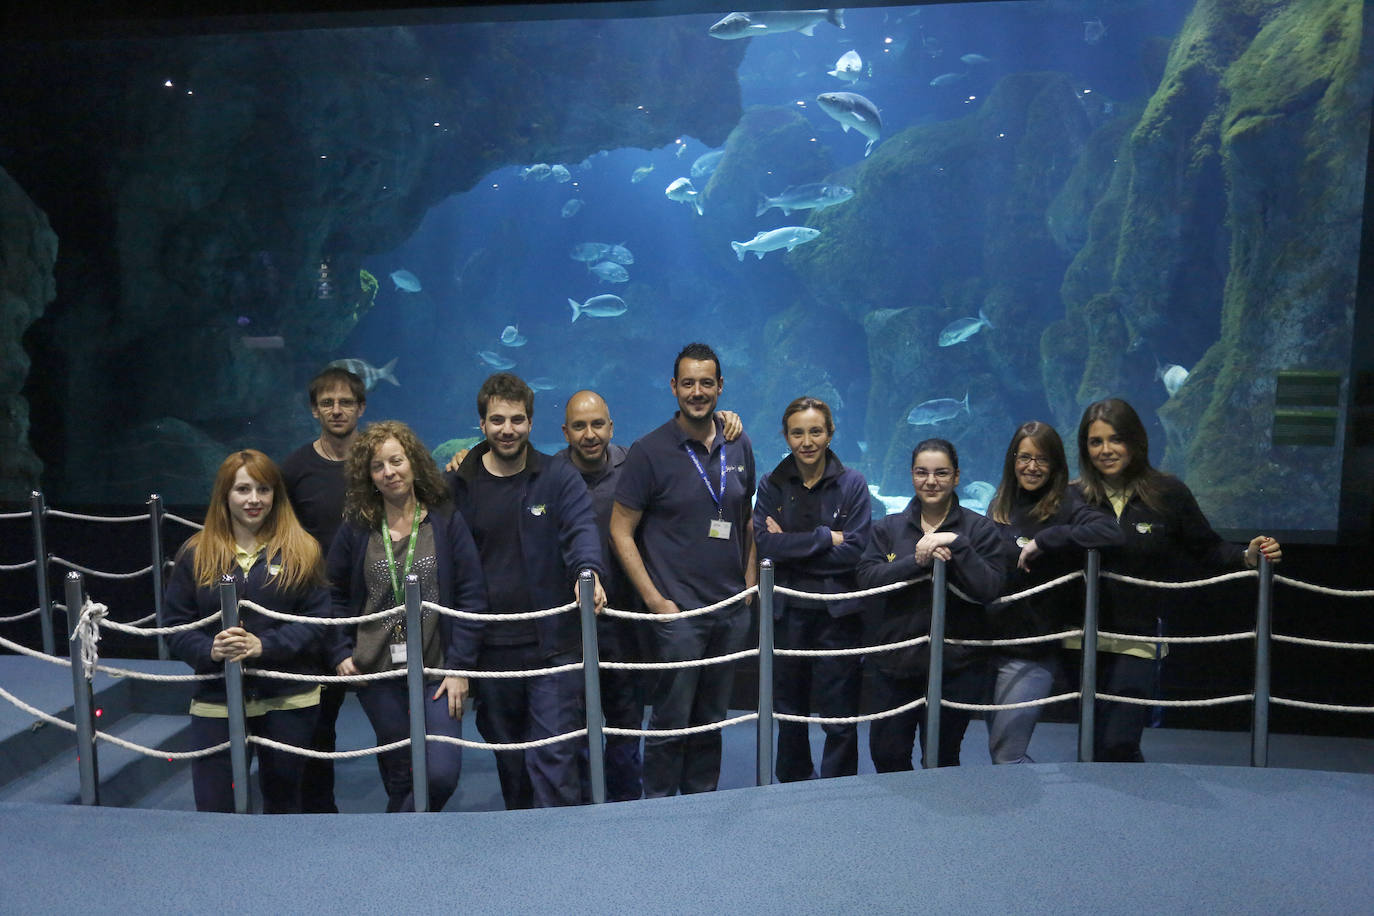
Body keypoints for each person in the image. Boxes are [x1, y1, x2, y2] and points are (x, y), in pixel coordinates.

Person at [558, 389, 746, 802]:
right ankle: (578, 814)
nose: (590, 434)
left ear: (612, 426)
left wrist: (724, 418)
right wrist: (470, 453)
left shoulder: (634, 460)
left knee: (628, 718)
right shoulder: (549, 474)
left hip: (629, 618)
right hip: (567, 624)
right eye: (579, 426)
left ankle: (631, 810)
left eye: (597, 424)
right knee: (570, 725)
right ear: (564, 431)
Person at [1072, 398, 1281, 762]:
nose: (1106, 450)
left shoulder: (1167, 492)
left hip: (1136, 636)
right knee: (1090, 740)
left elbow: (1208, 548)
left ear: (1136, 441)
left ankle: (1130, 813)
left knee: (1118, 741)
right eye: (1095, 441)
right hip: (1078, 636)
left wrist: (1247, 556)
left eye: (1115, 439)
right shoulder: (1071, 497)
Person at [446, 373, 605, 809]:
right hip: (490, 652)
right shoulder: (459, 485)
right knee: (510, 760)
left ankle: (561, 857)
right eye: (497, 420)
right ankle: (522, 858)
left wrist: (587, 572)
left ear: (531, 423)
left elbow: (582, 532)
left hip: (552, 648)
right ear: (482, 424)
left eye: (517, 419)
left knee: (555, 758)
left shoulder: (558, 477)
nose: (508, 429)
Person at [611, 342, 757, 797]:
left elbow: (746, 517)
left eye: (707, 383)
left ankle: (702, 803)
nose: (698, 391)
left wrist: (749, 585)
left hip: (730, 611)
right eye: (688, 383)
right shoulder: (649, 451)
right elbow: (620, 530)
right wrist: (656, 602)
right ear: (673, 387)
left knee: (713, 718)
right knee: (671, 721)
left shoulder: (739, 442)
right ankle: (657, 811)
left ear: (720, 387)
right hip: (678, 617)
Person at [328, 420, 486, 812]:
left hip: (437, 670)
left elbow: (471, 593)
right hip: (376, 672)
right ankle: (410, 855)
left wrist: (460, 666)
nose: (389, 472)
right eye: (378, 466)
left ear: (413, 462)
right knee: (400, 774)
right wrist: (339, 651)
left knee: (440, 773)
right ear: (369, 476)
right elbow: (329, 593)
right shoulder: (357, 527)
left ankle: (397, 832)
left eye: (396, 461)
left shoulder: (445, 520)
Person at [164, 449, 330, 813]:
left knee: (285, 805)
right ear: (225, 495)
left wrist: (264, 645)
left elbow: (318, 622)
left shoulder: (304, 549)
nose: (254, 499)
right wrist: (210, 650)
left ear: (276, 495)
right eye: (242, 489)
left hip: (289, 698)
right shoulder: (194, 552)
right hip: (216, 698)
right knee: (213, 807)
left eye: (263, 489)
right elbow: (175, 626)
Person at [856, 438, 1010, 771]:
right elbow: (866, 577)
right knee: (887, 754)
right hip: (894, 664)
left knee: (942, 756)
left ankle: (941, 823)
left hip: (957, 666)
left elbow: (990, 588)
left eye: (941, 473)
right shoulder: (887, 528)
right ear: (911, 475)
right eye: (922, 473)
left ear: (957, 477)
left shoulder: (980, 530)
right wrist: (918, 560)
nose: (931, 481)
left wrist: (959, 546)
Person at [985, 420, 1121, 764]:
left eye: (1042, 459)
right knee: (1000, 749)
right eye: (1024, 457)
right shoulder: (1000, 503)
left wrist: (1045, 541)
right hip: (989, 644)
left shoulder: (1069, 503)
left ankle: (1025, 816)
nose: (1031, 467)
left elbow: (1110, 532)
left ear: (1056, 464)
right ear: (1012, 459)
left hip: (1032, 648)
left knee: (1007, 754)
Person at [752, 396, 871, 781]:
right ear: (786, 436)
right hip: (787, 614)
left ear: (830, 433)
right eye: (798, 433)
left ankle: (838, 791)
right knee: (790, 713)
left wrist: (792, 543)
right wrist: (825, 538)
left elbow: (855, 550)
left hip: (838, 616)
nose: (807, 441)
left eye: (815, 431)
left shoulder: (853, 483)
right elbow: (765, 546)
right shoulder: (771, 484)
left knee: (839, 716)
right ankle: (792, 785)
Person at [279, 365, 366, 812]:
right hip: (317, 611)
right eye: (327, 403)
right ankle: (319, 811)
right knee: (319, 720)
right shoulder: (294, 469)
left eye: (345, 402)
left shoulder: (379, 464)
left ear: (361, 408)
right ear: (314, 410)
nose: (337, 410)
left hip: (377, 608)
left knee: (396, 717)